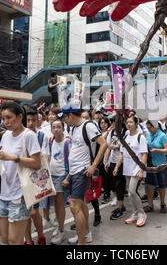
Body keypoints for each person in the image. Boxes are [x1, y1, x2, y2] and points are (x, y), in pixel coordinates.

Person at [0, 102, 42, 245]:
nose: (5, 121)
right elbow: (5, 156)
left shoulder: (29, 135)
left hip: (21, 193)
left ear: (20, 116)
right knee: (5, 239)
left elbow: (37, 163)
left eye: (9, 117)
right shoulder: (6, 135)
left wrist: (12, 157)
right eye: (3, 118)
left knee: (15, 240)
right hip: (5, 193)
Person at [59, 103, 108, 245]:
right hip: (74, 172)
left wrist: (93, 166)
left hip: (83, 170)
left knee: (74, 205)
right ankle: (86, 235)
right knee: (80, 204)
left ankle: (81, 242)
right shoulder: (73, 128)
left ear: (71, 115)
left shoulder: (88, 126)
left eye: (64, 117)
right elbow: (75, 151)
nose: (64, 120)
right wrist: (69, 175)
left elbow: (103, 144)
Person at [114, 116, 148, 227]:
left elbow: (144, 154)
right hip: (127, 168)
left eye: (131, 122)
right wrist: (116, 167)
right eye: (127, 122)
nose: (128, 124)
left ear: (136, 123)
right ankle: (135, 213)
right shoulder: (126, 136)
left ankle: (141, 213)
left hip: (137, 168)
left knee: (132, 191)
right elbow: (121, 153)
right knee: (129, 192)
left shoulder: (140, 137)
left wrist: (141, 170)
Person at [23, 109, 48, 245]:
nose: (31, 123)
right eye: (28, 120)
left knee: (33, 212)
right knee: (25, 212)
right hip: (21, 178)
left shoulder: (41, 135)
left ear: (38, 120)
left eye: (34, 120)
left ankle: (41, 235)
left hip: (36, 177)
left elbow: (44, 156)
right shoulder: (20, 135)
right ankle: (28, 239)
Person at [48, 119, 71, 244]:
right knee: (55, 203)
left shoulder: (67, 143)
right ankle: (59, 226)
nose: (56, 129)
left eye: (58, 127)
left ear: (63, 129)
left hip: (62, 176)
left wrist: (67, 178)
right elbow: (51, 156)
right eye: (54, 127)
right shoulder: (51, 141)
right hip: (52, 176)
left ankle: (61, 230)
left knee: (60, 204)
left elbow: (71, 162)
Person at [143, 121, 167, 214]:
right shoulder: (148, 135)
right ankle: (150, 205)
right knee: (149, 185)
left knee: (161, 185)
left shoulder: (162, 136)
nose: (148, 130)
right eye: (147, 128)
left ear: (155, 126)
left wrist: (157, 150)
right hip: (150, 163)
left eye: (150, 128)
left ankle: (163, 204)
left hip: (160, 164)